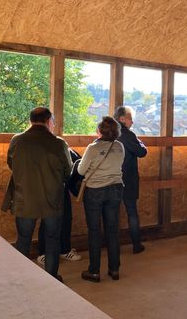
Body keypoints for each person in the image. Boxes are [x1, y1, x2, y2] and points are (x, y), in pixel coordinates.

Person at [7, 107, 71, 281]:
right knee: (52, 240)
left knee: (23, 239)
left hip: (24, 198)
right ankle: (51, 277)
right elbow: (68, 171)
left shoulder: (17, 140)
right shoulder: (58, 143)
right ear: (49, 121)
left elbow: (11, 163)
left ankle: (22, 277)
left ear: (30, 121)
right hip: (52, 199)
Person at [78, 116, 125, 283]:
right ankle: (114, 269)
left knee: (94, 231)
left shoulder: (92, 148)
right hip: (116, 188)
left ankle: (94, 271)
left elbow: (82, 170)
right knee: (112, 230)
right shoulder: (119, 146)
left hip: (95, 191)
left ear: (100, 131)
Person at [37, 148, 83, 266]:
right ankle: (43, 253)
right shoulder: (44, 150)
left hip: (62, 188)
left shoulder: (68, 150)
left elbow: (78, 168)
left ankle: (64, 249)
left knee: (66, 218)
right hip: (46, 188)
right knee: (47, 220)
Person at [114, 106, 148, 254]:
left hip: (112, 179)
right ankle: (136, 245)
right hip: (129, 179)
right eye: (130, 118)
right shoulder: (128, 135)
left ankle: (112, 245)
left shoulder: (110, 133)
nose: (132, 122)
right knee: (132, 212)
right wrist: (140, 141)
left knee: (112, 213)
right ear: (122, 119)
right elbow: (142, 152)